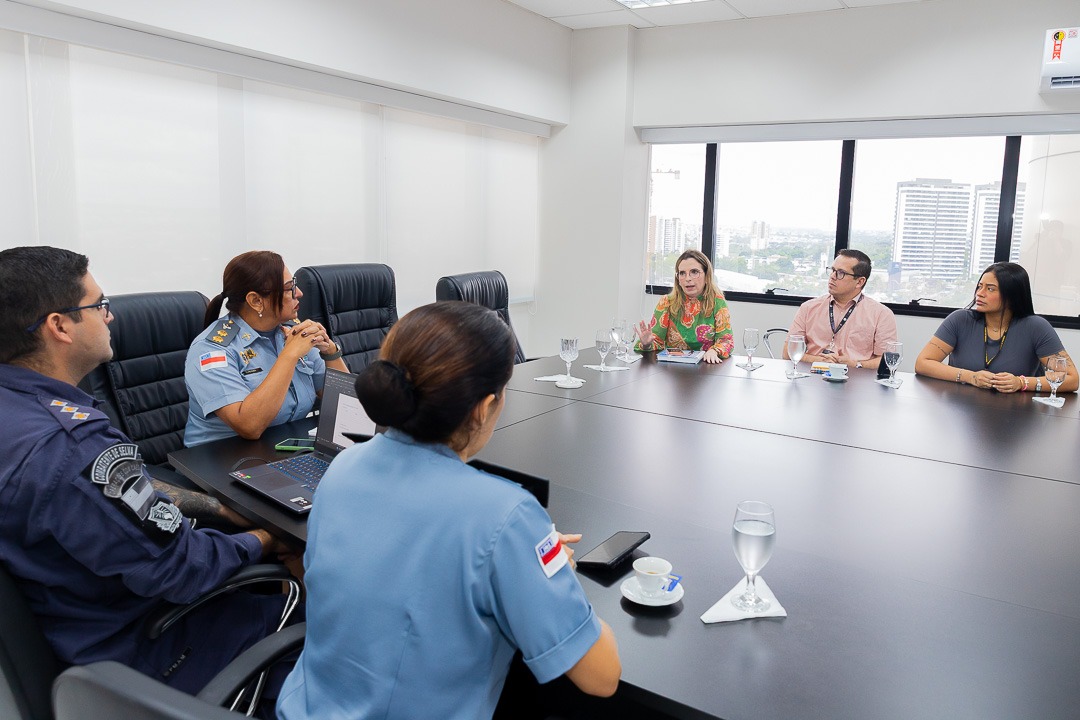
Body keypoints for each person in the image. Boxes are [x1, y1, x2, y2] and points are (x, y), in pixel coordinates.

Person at [277, 302, 621, 720]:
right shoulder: (506, 516)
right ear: (483, 407)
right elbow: (601, 678)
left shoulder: (343, 466)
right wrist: (552, 568)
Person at [0, 246, 298, 700]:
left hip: (76, 620)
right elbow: (182, 568)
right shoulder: (70, 447)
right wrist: (267, 539)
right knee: (328, 621)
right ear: (59, 326)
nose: (109, 317)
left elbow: (109, 498)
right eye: (98, 305)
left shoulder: (21, 413)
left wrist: (218, 508)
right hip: (147, 649)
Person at [184, 250, 349, 446]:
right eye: (290, 288)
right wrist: (289, 355)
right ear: (255, 301)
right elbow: (249, 426)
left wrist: (330, 353)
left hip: (286, 449)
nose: (299, 293)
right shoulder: (212, 350)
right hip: (221, 462)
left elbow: (348, 408)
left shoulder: (290, 332)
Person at [914, 262, 1079, 393]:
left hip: (1018, 415)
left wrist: (1021, 382)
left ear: (1012, 295)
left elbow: (1071, 379)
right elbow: (923, 363)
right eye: (980, 286)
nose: (980, 293)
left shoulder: (1036, 327)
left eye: (990, 289)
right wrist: (970, 377)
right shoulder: (960, 320)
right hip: (961, 410)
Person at [784, 249, 897, 369]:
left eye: (841, 273)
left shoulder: (881, 314)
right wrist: (818, 360)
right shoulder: (809, 308)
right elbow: (788, 352)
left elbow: (887, 360)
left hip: (856, 380)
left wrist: (856, 364)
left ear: (859, 282)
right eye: (832, 270)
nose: (832, 277)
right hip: (813, 377)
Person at [633, 249, 733, 364]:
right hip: (672, 369)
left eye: (694, 272)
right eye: (682, 273)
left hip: (706, 368)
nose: (688, 278)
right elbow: (656, 342)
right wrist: (647, 344)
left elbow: (726, 341)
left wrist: (714, 351)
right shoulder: (666, 302)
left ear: (706, 276)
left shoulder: (718, 302)